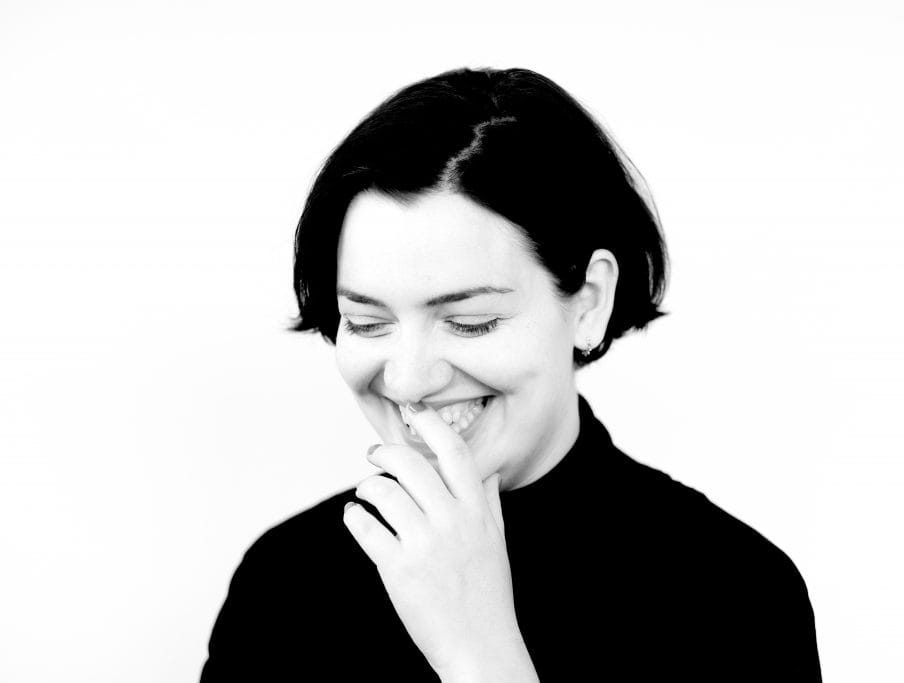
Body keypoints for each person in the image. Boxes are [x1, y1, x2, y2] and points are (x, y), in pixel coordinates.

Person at [199, 66, 822, 682]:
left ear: (590, 301)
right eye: (366, 323)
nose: (409, 382)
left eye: (469, 322)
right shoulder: (284, 581)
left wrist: (480, 656)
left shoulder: (736, 593)